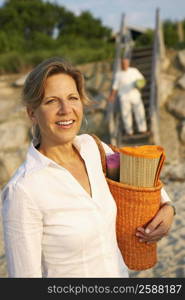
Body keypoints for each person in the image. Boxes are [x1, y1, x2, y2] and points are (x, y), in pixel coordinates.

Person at [1, 57, 175, 278]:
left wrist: (168, 207)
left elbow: (138, 171)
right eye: (51, 101)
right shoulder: (23, 190)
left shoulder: (94, 148)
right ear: (32, 113)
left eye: (72, 98)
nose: (66, 109)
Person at [108, 57, 147, 136]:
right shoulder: (118, 74)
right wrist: (112, 96)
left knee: (140, 112)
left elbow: (142, 80)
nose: (124, 64)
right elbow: (115, 87)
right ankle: (129, 132)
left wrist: (140, 85)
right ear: (121, 64)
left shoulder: (134, 71)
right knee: (126, 114)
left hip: (135, 95)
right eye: (123, 63)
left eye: (125, 63)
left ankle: (143, 129)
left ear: (128, 63)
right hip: (124, 97)